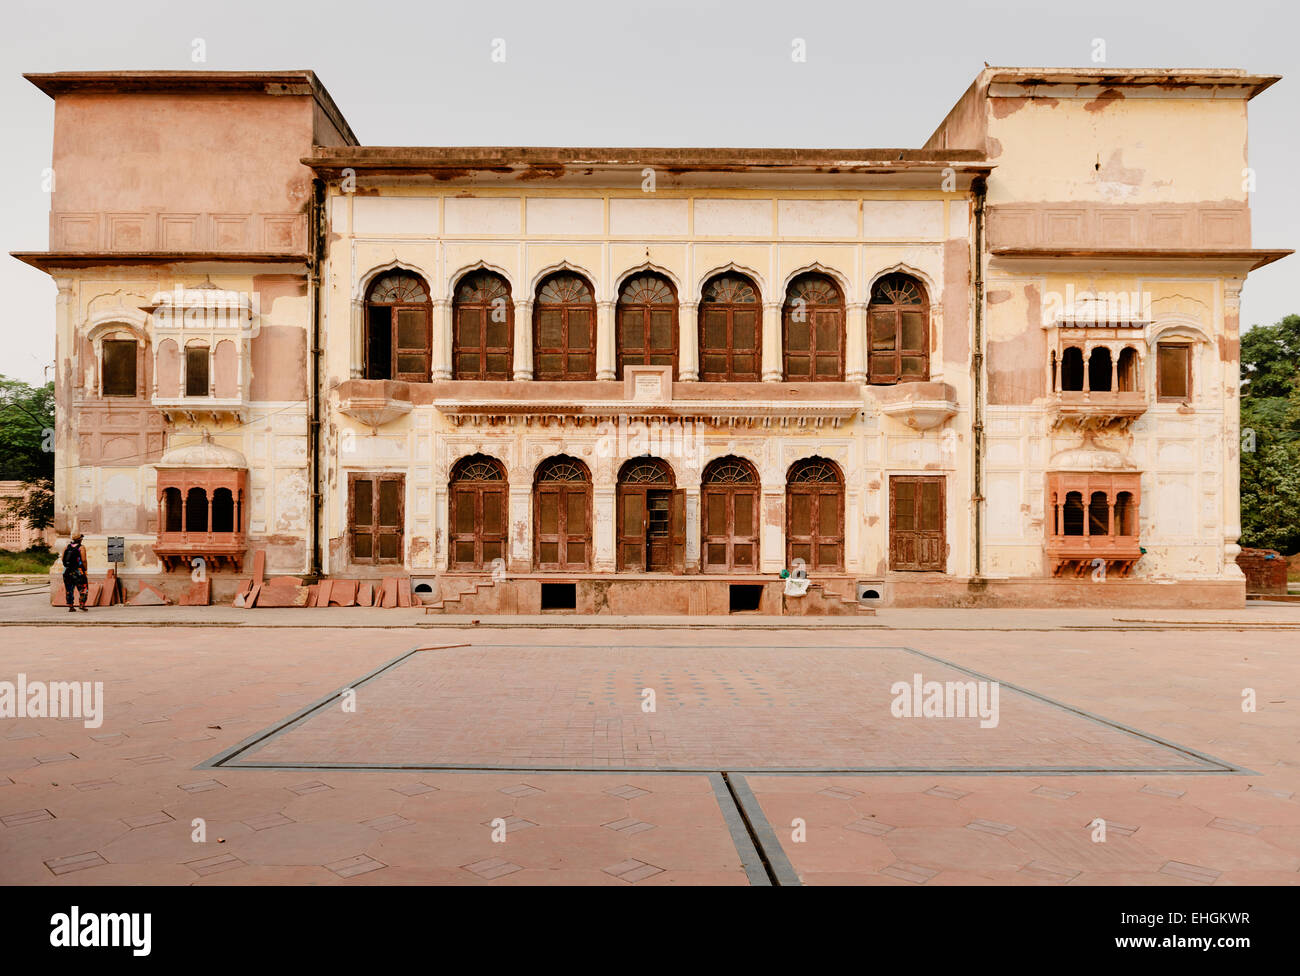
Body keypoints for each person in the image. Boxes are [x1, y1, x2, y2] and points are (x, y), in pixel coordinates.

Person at [61, 533, 89, 612]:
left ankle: (71, 606)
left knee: (69, 589)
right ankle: (82, 604)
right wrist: (85, 569)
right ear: (80, 539)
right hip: (78, 571)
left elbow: (62, 558)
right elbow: (83, 560)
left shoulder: (67, 546)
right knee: (83, 587)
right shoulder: (81, 547)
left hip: (67, 571)